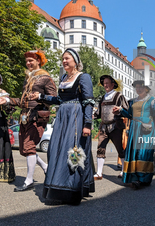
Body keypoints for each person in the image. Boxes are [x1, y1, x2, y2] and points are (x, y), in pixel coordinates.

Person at [29, 48, 95, 205]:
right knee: (55, 150)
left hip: (75, 118)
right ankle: (59, 185)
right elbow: (59, 100)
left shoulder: (83, 77)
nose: (64, 61)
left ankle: (73, 189)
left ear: (75, 61)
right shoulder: (64, 78)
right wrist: (41, 97)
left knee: (74, 151)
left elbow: (89, 102)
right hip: (62, 119)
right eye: (63, 59)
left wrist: (87, 124)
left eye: (67, 58)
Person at [0, 49, 57, 192]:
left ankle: (29, 181)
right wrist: (6, 100)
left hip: (37, 117)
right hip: (24, 117)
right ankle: (45, 167)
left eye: (31, 60)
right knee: (25, 150)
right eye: (27, 61)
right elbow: (22, 100)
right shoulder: (28, 78)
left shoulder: (46, 78)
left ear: (38, 61)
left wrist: (40, 96)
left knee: (29, 147)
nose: (28, 63)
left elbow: (54, 98)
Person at [113, 80, 155, 189]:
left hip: (146, 130)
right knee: (133, 153)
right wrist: (120, 110)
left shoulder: (152, 101)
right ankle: (134, 178)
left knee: (143, 153)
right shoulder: (133, 101)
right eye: (137, 87)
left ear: (146, 89)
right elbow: (129, 115)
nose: (138, 89)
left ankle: (143, 179)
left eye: (141, 87)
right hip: (134, 129)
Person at [93, 75, 129, 180]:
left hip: (116, 126)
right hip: (104, 127)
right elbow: (98, 112)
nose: (105, 85)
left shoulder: (119, 96)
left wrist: (120, 109)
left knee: (119, 149)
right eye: (104, 83)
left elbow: (127, 110)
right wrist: (92, 116)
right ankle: (99, 173)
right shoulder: (103, 97)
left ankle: (123, 171)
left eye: (107, 83)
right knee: (100, 148)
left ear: (113, 84)